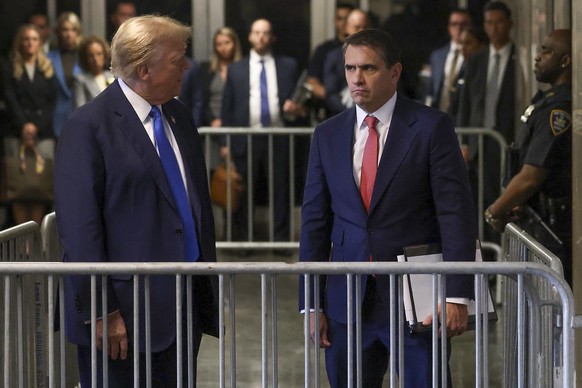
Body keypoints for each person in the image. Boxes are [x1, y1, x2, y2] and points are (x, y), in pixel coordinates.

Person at [299, 29, 477, 387]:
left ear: (395, 72)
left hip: (417, 301)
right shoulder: (327, 134)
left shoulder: (431, 127)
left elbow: (455, 213)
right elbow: (315, 222)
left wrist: (458, 293)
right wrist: (311, 302)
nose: (356, 79)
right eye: (350, 68)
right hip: (347, 303)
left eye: (368, 68)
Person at [54, 15, 218, 386]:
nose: (187, 66)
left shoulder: (178, 115)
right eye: (178, 59)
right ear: (145, 69)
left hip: (183, 303)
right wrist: (102, 310)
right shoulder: (88, 127)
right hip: (123, 315)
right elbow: (80, 231)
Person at [485, 29, 572, 285]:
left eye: (547, 51)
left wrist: (494, 211)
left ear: (565, 61)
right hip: (537, 220)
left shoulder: (558, 109)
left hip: (552, 225)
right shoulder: (546, 101)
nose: (537, 57)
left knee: (551, 307)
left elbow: (530, 178)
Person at [221, 18, 303, 250]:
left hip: (279, 136)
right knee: (243, 191)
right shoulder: (237, 69)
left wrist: (295, 109)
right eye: (257, 32)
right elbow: (227, 107)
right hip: (245, 136)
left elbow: (297, 103)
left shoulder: (288, 65)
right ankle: (243, 242)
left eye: (266, 33)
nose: (261, 37)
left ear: (272, 37)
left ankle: (280, 242)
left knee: (281, 190)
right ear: (249, 36)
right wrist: (225, 142)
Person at [456, 1, 517, 245]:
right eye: (489, 22)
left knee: (502, 200)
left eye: (499, 22)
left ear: (510, 24)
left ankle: (502, 251)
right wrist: (464, 142)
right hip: (480, 142)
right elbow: (466, 103)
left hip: (505, 139)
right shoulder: (477, 59)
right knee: (481, 200)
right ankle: (487, 254)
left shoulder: (518, 57)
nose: (494, 28)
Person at [2, 24, 57, 225]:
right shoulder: (9, 67)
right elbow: (10, 98)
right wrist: (24, 125)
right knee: (19, 186)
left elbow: (52, 101)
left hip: (43, 133)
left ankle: (37, 241)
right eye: (26, 39)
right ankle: (21, 239)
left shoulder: (47, 67)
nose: (30, 43)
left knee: (38, 187)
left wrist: (36, 127)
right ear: (19, 42)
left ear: (39, 43)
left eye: (34, 39)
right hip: (16, 131)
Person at [305, 3, 354, 121]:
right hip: (332, 113)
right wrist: (333, 99)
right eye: (340, 18)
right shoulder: (325, 50)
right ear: (335, 22)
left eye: (347, 18)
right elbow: (311, 81)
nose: (344, 23)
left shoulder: (366, 50)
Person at [323, 8, 369, 116]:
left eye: (365, 27)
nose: (362, 31)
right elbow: (331, 94)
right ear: (347, 28)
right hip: (343, 115)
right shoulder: (334, 57)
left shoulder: (380, 56)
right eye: (357, 27)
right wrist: (351, 115)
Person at [424, 9, 471, 111]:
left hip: (462, 117)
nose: (459, 28)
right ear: (449, 28)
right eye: (454, 24)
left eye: (464, 24)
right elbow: (430, 90)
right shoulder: (437, 56)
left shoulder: (474, 55)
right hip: (438, 114)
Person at [47, 12, 82, 137]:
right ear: (58, 32)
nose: (69, 34)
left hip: (80, 113)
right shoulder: (48, 58)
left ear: (78, 32)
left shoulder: (84, 57)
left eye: (73, 29)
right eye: (65, 30)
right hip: (55, 116)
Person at [447, 25, 488, 125]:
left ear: (481, 46)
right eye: (461, 43)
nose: (463, 48)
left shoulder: (483, 71)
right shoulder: (464, 68)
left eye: (468, 43)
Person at [73, 35, 114, 108]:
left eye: (99, 54)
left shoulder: (112, 75)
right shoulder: (81, 79)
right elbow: (80, 109)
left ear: (104, 55)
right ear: (85, 58)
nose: (95, 59)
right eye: (91, 55)